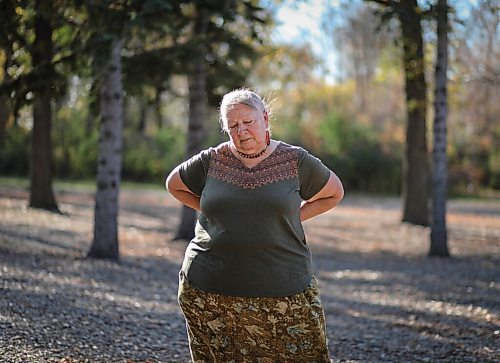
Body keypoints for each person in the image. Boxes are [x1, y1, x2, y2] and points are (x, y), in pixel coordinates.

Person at [166, 88, 344, 362]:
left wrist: (294, 216)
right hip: (209, 293)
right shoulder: (211, 160)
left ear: (265, 118)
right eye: (233, 125)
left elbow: (334, 193)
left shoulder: (295, 160)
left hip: (286, 294)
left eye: (248, 122)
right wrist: (212, 211)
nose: (242, 131)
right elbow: (173, 185)